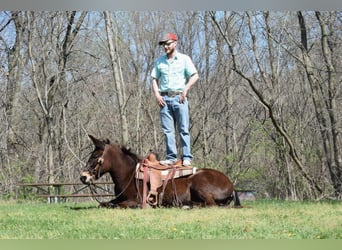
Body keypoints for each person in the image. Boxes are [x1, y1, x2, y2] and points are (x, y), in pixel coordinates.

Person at [151, 33, 199, 166]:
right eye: (164, 45)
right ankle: (171, 157)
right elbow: (154, 78)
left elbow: (195, 76)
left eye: (167, 43)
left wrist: (186, 89)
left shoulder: (184, 59)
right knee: (168, 130)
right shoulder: (160, 61)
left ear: (175, 43)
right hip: (164, 99)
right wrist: (157, 94)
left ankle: (186, 157)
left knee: (183, 129)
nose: (165, 47)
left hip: (179, 98)